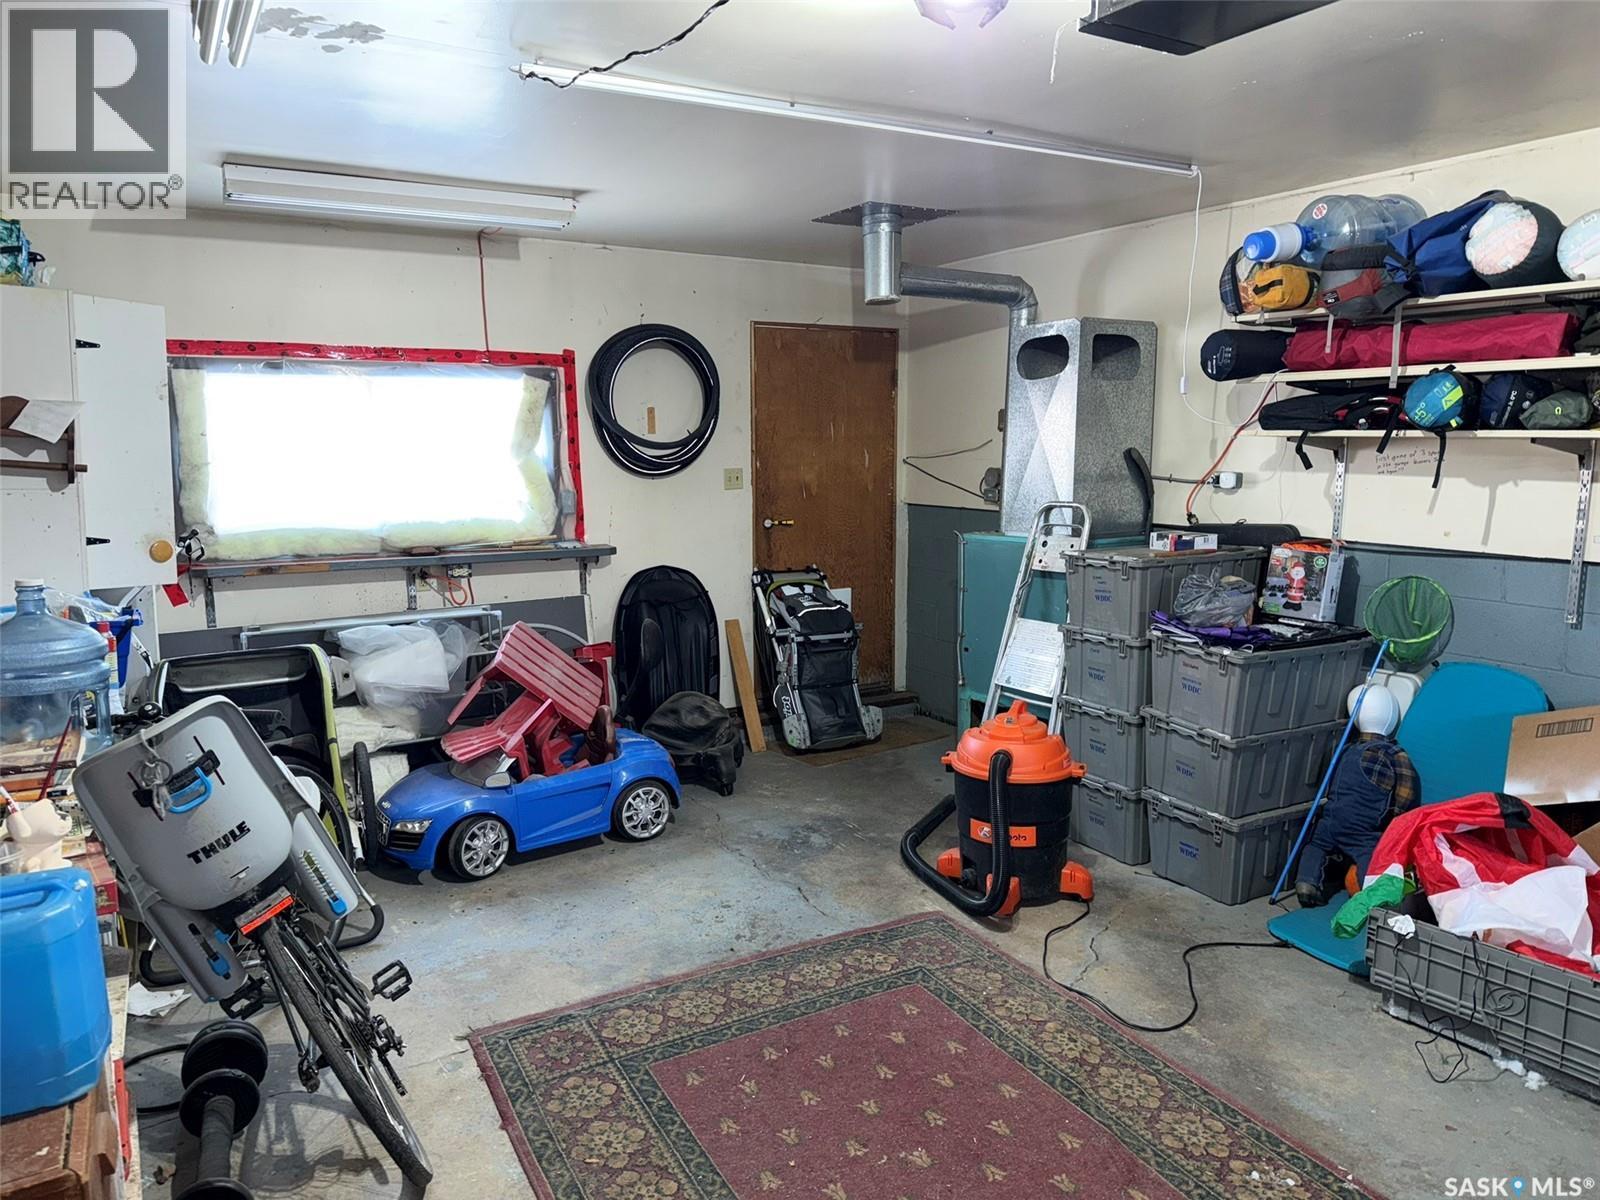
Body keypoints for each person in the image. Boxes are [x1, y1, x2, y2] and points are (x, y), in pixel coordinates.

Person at [1295, 685, 1419, 908]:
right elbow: (1406, 793)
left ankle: (1306, 882)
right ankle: (1369, 896)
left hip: (1331, 818)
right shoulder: (1393, 754)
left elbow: (1329, 782)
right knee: (1371, 855)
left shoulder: (1344, 750)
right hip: (1362, 827)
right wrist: (1396, 818)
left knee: (1316, 846)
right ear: (1391, 717)